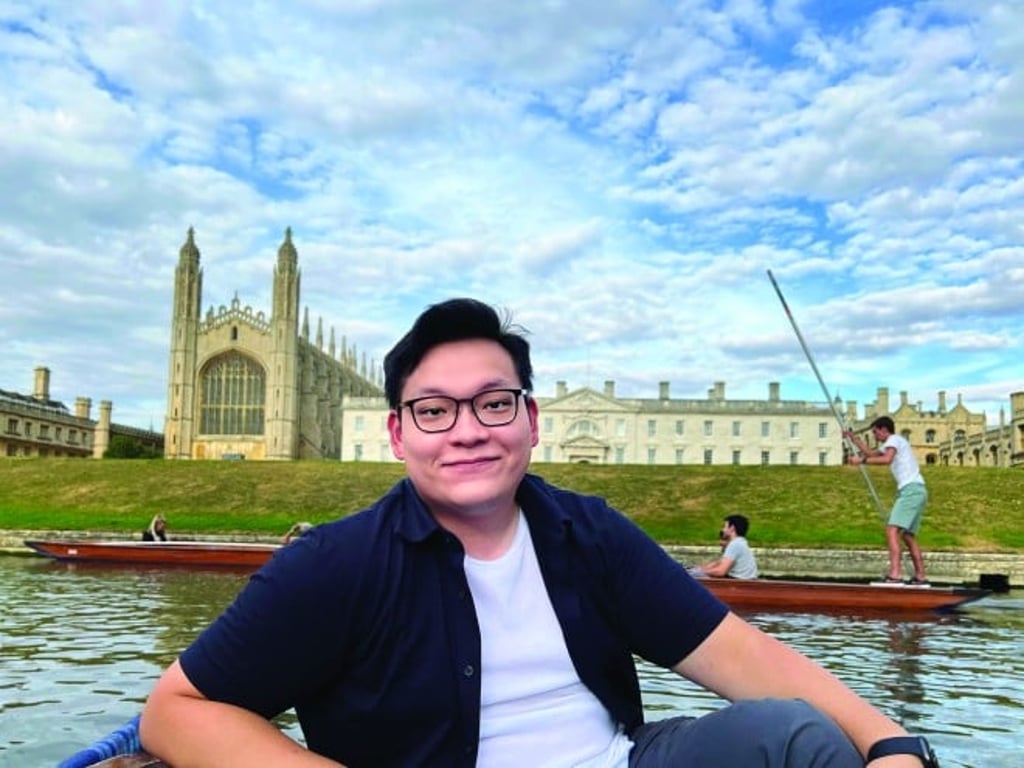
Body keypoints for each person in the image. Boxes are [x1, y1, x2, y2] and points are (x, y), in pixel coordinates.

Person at [140, 298, 938, 768]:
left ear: (530, 420)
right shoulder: (336, 564)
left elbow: (746, 656)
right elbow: (174, 710)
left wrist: (890, 745)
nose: (467, 431)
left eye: (493, 403)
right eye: (434, 410)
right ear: (397, 433)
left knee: (787, 734)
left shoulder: (584, 530)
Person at [845, 417, 929, 585]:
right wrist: (854, 439)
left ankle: (895, 575)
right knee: (908, 536)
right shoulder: (892, 443)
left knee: (892, 531)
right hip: (918, 490)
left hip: (911, 490)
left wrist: (861, 461)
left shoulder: (894, 440)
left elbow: (886, 459)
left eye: (875, 432)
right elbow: (871, 453)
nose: (875, 436)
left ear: (884, 430)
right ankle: (920, 577)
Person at [688, 514, 759, 579]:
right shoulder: (740, 542)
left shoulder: (735, 544)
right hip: (742, 582)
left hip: (738, 585)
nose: (722, 530)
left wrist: (698, 572)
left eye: (724, 526)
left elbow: (721, 571)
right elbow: (719, 563)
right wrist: (699, 569)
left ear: (732, 528)